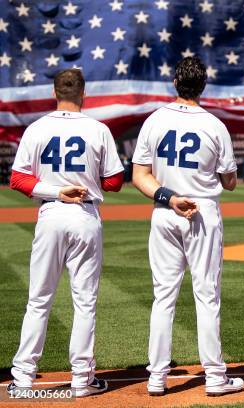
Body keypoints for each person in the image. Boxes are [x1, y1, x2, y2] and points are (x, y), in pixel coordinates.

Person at [131, 57, 244, 396]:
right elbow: (230, 182)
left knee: (163, 297)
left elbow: (139, 175)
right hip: (202, 211)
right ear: (203, 85)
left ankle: (157, 377)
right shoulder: (214, 124)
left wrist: (168, 196)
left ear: (175, 82)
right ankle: (214, 377)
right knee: (206, 296)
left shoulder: (155, 119)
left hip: (166, 209)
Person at [8, 68, 124, 397]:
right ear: (82, 93)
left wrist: (54, 190)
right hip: (84, 215)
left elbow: (18, 179)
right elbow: (115, 182)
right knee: (84, 302)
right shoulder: (98, 129)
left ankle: (24, 379)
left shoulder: (37, 128)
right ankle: (82, 379)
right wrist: (85, 182)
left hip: (50, 214)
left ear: (54, 92)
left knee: (38, 300)